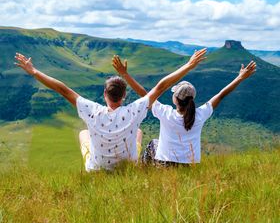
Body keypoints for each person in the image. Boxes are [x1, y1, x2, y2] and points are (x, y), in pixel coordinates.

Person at [14, 48, 206, 171]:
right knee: (137, 132)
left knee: (83, 134)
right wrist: (189, 65)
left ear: (104, 93)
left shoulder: (92, 111)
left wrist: (33, 71)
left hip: (98, 169)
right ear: (124, 96)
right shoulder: (134, 111)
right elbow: (161, 86)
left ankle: (94, 160)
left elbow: (63, 89)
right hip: (127, 167)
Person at [112, 56, 257, 166]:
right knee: (155, 143)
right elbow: (221, 94)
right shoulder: (200, 114)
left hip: (164, 166)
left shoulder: (166, 113)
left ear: (175, 99)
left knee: (152, 144)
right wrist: (240, 77)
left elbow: (144, 94)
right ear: (192, 100)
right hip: (190, 166)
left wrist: (125, 74)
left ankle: (143, 172)